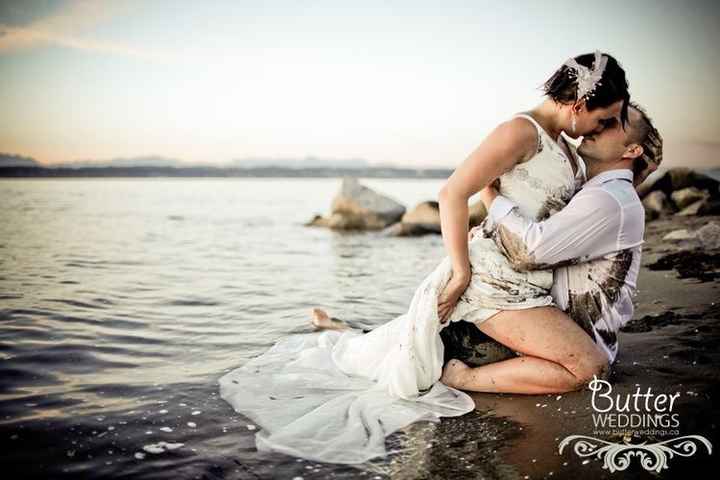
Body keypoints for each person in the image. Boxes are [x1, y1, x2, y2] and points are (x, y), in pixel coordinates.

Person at [218, 51, 630, 464]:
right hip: (495, 280)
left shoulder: (564, 144)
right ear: (578, 106)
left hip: (528, 280)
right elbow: (452, 193)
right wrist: (460, 272)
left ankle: (351, 330)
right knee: (588, 367)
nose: (604, 127)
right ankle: (459, 377)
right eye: (604, 118)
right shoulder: (520, 132)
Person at [440, 102, 663, 393]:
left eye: (612, 124)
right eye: (603, 118)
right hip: (545, 319)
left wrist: (489, 195)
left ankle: (461, 379)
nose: (598, 125)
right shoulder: (593, 189)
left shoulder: (609, 199)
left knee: (590, 371)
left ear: (632, 150)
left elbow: (531, 252)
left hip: (574, 333)